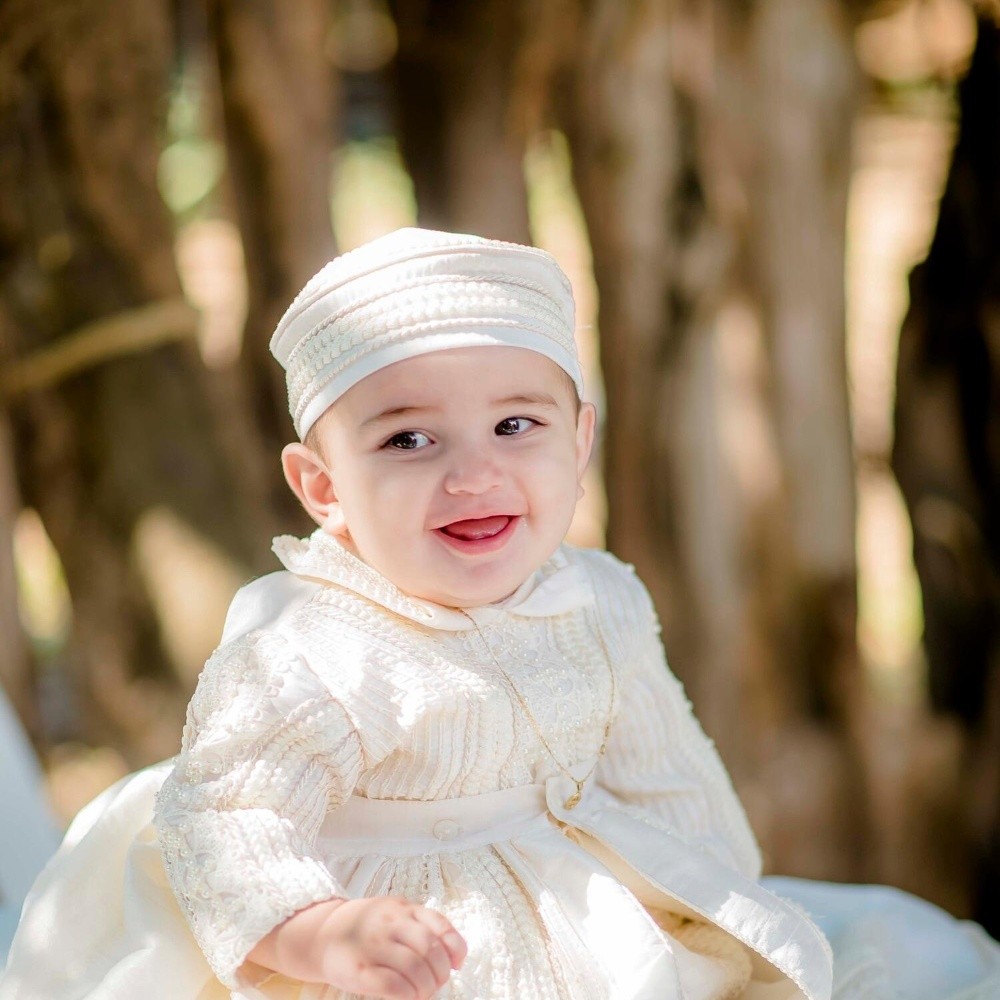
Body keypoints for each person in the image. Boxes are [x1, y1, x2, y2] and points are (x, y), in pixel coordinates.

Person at [2, 228, 999, 1000]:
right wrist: (318, 932)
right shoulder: (307, 646)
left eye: (515, 425)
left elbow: (662, 770)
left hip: (574, 899)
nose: (473, 472)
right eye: (407, 440)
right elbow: (225, 819)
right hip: (394, 936)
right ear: (321, 487)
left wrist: (716, 901)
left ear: (577, 439)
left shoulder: (597, 596)